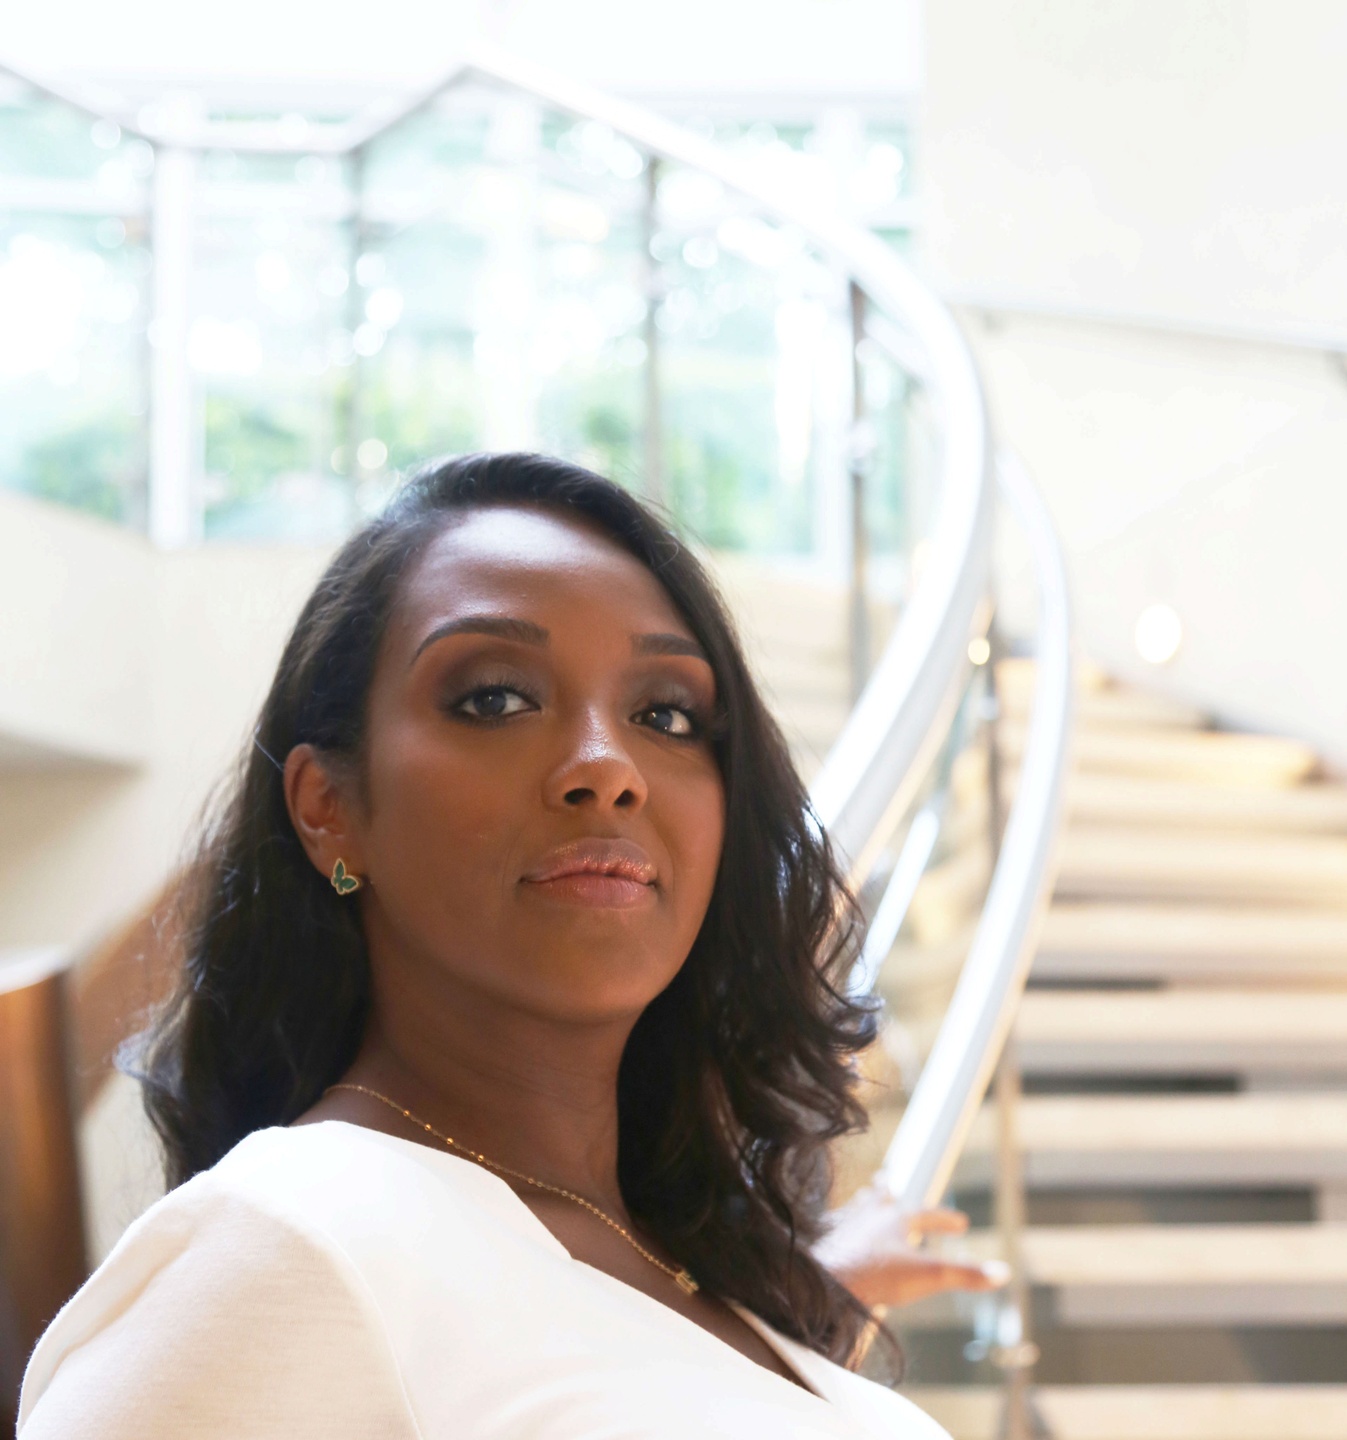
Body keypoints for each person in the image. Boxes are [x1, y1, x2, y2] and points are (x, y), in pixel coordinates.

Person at [18, 454, 997, 1438]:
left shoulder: (687, 1274)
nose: (608, 768)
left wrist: (798, 1310)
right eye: (494, 699)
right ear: (329, 810)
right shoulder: (285, 1246)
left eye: (664, 715)